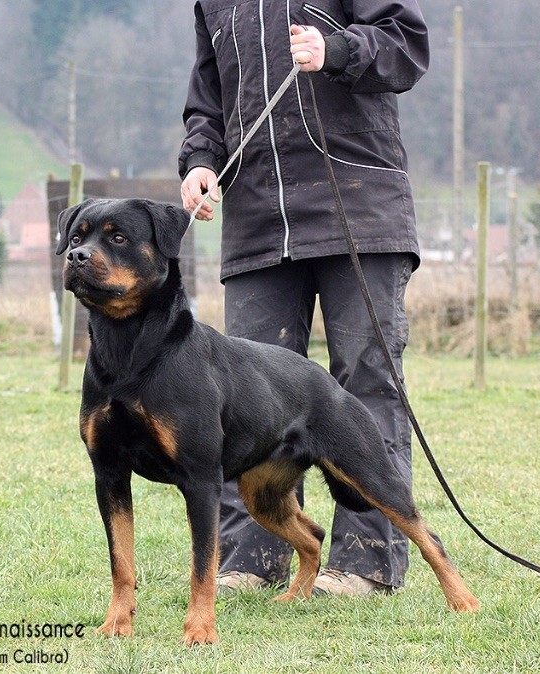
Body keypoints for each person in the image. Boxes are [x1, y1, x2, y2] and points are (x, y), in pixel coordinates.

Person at [178, 0, 429, 597]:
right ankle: (250, 558)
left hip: (360, 206)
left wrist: (336, 49)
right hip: (257, 219)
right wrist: (200, 161)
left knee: (365, 380)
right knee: (242, 395)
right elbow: (205, 104)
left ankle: (367, 559)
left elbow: (407, 45)